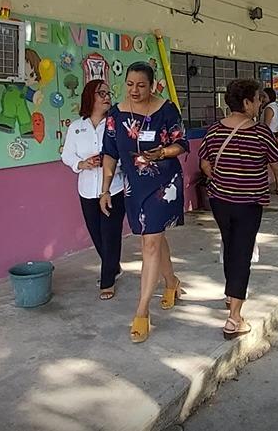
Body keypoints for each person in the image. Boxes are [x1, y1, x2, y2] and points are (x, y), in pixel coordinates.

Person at [199, 80, 278, 339]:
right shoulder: (260, 132)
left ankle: (230, 294)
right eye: (257, 99)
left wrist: (221, 178)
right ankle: (234, 319)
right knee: (242, 253)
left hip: (220, 201)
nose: (260, 103)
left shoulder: (213, 131)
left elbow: (204, 164)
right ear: (246, 103)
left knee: (230, 245)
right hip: (248, 204)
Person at [100, 62, 189, 343]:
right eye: (130, 84)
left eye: (141, 85)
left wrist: (161, 153)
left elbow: (181, 143)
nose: (134, 90)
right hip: (134, 186)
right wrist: (105, 189)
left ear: (152, 85)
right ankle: (172, 282)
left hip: (164, 182)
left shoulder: (166, 109)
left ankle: (142, 311)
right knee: (155, 235)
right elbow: (110, 153)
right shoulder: (116, 114)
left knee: (149, 241)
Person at [62, 80, 127, 300]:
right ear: (90, 96)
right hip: (87, 190)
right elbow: (67, 156)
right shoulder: (76, 127)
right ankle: (113, 266)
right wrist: (82, 164)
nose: (107, 97)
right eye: (102, 93)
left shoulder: (115, 124)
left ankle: (107, 281)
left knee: (110, 235)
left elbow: (124, 155)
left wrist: (110, 163)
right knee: (97, 235)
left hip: (114, 188)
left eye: (108, 93)